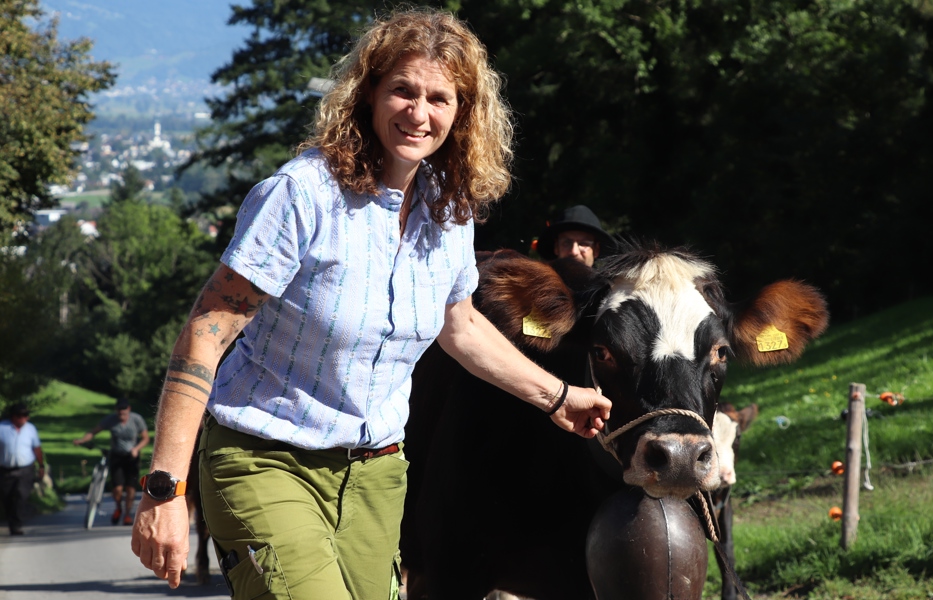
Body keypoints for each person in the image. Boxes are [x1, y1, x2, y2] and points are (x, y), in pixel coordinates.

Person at [130, 8, 611, 599]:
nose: (419, 112)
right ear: (368, 95)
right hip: (266, 461)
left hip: (377, 476)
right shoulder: (302, 196)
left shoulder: (447, 210)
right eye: (402, 91)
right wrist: (165, 491)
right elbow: (206, 330)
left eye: (439, 98)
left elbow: (456, 325)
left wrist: (557, 397)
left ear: (463, 114)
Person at [73, 398, 150, 525]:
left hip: (132, 457)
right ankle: (118, 508)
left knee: (130, 488)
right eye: (119, 412)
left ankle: (127, 515)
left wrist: (136, 449)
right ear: (116, 411)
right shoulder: (111, 419)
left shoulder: (137, 419)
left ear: (129, 410)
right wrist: (82, 440)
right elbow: (94, 431)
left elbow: (146, 438)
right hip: (116, 456)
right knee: (118, 488)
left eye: (124, 412)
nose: (122, 415)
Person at [0, 403, 45, 535]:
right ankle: (12, 522)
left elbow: (36, 448)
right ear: (14, 417)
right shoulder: (2, 428)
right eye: (21, 416)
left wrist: (41, 465)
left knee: (21, 494)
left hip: (26, 468)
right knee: (7, 497)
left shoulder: (30, 429)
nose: (25, 418)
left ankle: (17, 524)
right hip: (5, 469)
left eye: (26, 415)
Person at [537, 204, 615, 267]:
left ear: (596, 250)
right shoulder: (539, 286)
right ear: (556, 247)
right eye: (566, 243)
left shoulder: (611, 286)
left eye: (584, 243)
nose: (574, 252)